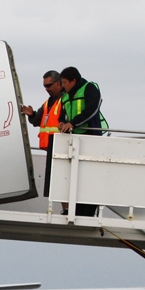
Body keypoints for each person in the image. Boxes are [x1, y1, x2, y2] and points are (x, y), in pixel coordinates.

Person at [58, 66, 108, 216]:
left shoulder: (89, 88)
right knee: (74, 177)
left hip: (90, 138)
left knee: (89, 177)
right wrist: (61, 123)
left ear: (74, 80)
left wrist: (73, 123)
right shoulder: (64, 95)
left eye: (65, 82)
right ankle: (74, 208)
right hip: (73, 142)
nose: (63, 85)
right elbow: (62, 115)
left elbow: (91, 110)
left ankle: (88, 210)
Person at [20, 70, 64, 197]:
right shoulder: (48, 103)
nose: (46, 88)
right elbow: (39, 120)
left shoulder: (64, 100)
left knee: (60, 181)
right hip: (52, 147)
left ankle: (66, 210)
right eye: (44, 86)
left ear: (59, 83)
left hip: (61, 145)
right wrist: (32, 114)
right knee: (54, 182)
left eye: (49, 85)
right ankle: (63, 209)